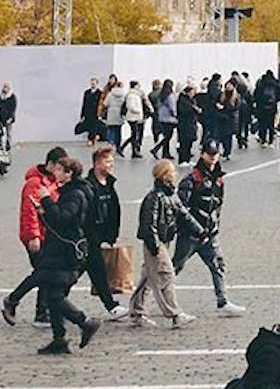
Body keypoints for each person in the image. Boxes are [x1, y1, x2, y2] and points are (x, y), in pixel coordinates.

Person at [6, 155, 100, 352]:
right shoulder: (70, 191)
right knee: (52, 293)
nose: (54, 173)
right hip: (60, 247)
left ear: (69, 173)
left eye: (58, 169)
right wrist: (43, 210)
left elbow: (63, 219)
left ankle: (84, 322)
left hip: (64, 251)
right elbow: (58, 217)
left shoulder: (75, 194)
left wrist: (47, 200)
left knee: (49, 287)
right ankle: (60, 339)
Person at [176, 142, 246, 317]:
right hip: (190, 235)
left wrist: (214, 228)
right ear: (202, 154)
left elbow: (218, 206)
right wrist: (195, 229)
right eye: (209, 153)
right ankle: (153, 298)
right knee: (173, 267)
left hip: (210, 234)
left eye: (215, 153)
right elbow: (181, 208)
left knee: (218, 266)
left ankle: (222, 301)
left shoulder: (219, 179)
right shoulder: (191, 179)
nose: (213, 156)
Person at [127, 159, 198, 328]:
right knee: (166, 275)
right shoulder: (154, 198)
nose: (175, 174)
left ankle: (137, 311)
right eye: (172, 171)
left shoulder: (170, 195)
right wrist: (155, 247)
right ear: (165, 175)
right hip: (156, 243)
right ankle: (174, 314)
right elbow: (148, 224)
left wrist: (200, 230)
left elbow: (184, 215)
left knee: (147, 277)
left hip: (164, 241)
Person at [78, 146, 127, 319]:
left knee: (84, 272)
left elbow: (114, 211)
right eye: (107, 161)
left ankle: (54, 301)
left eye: (112, 161)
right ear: (97, 164)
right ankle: (111, 306)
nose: (111, 164)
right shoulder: (88, 185)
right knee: (95, 270)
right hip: (89, 236)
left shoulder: (110, 184)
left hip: (101, 235)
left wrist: (112, 235)